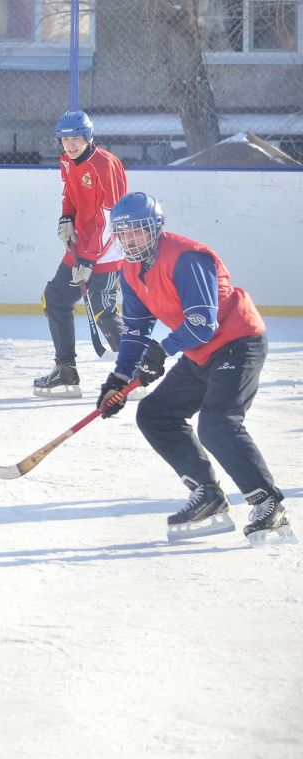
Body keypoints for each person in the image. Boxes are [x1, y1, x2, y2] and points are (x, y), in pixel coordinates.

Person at [96, 193, 290, 544]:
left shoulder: (186, 257)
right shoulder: (130, 269)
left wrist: (163, 351)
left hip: (237, 342)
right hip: (201, 353)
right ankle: (208, 494)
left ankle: (267, 503)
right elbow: (137, 329)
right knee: (155, 413)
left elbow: (202, 324)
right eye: (122, 233)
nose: (129, 240)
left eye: (137, 232)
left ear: (155, 229)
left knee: (217, 424)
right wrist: (120, 378)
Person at [34, 110, 127, 398]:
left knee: (103, 310)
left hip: (107, 248)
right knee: (56, 298)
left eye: (76, 138)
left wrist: (88, 258)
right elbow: (70, 196)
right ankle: (66, 370)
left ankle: (132, 372)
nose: (70, 144)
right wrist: (66, 219)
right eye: (65, 139)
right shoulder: (67, 160)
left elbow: (110, 217)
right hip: (82, 244)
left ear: (88, 138)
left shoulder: (105, 165)